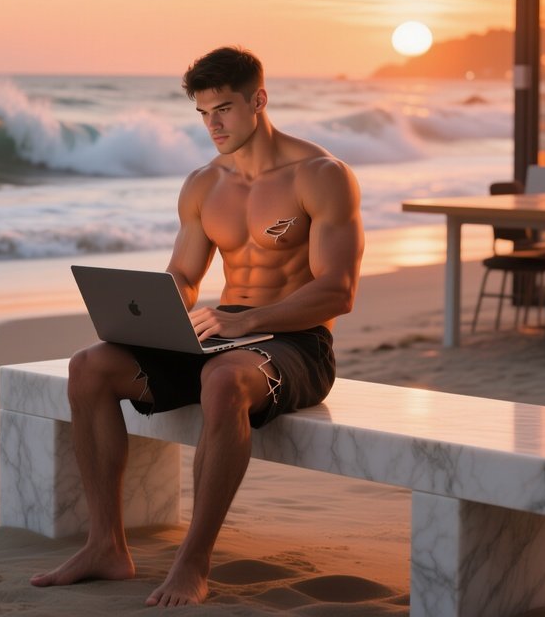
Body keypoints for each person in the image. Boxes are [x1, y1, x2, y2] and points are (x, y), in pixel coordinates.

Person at [30, 46, 364, 607]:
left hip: (297, 345)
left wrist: (248, 318)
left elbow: (338, 290)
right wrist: (160, 311)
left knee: (223, 381)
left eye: (225, 109)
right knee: (89, 366)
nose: (213, 125)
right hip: (223, 335)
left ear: (259, 99)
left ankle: (193, 560)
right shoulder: (204, 185)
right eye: (203, 113)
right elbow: (185, 274)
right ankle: (105, 546)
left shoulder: (322, 175)